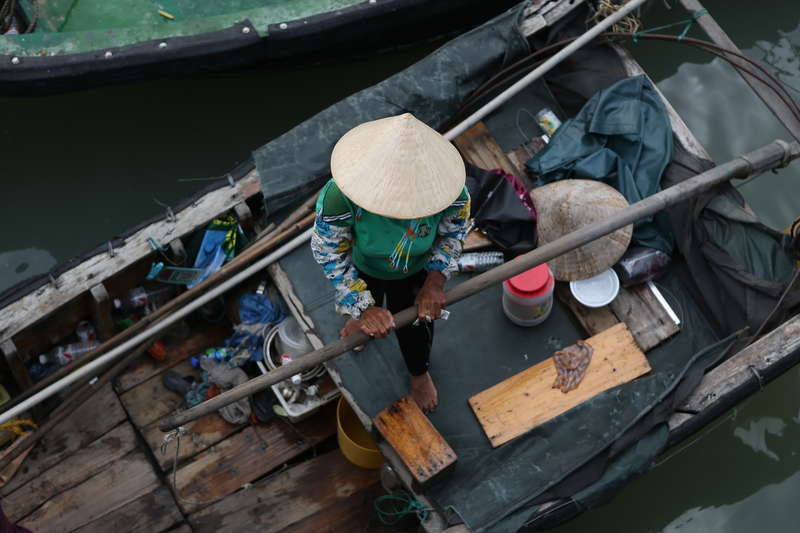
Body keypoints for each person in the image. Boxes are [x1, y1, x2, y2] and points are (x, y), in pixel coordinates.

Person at [311, 113, 470, 412]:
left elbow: (454, 232)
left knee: (415, 327)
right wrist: (363, 306)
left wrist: (435, 281)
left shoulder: (451, 192)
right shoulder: (339, 196)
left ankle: (419, 373)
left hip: (416, 270)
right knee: (364, 308)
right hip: (363, 264)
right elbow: (328, 253)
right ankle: (360, 318)